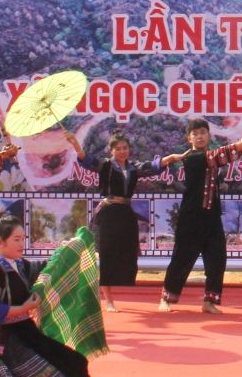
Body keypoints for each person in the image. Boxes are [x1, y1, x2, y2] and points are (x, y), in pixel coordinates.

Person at [157, 119, 242, 313]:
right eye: (196, 133)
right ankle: (166, 298)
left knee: (217, 259)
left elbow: (236, 151)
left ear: (209, 136)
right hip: (191, 218)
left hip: (211, 218)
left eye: (203, 132)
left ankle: (209, 301)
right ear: (189, 138)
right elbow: (226, 153)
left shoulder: (209, 156)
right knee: (182, 259)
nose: (200, 136)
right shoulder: (192, 158)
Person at [65, 130, 178, 312]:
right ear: (111, 150)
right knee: (107, 255)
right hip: (108, 213)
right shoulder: (106, 166)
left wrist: (172, 157)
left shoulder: (133, 168)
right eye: (118, 148)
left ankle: (119, 284)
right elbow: (87, 159)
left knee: (127, 253)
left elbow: (153, 166)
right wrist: (75, 143)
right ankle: (109, 300)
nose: (122, 151)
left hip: (125, 213)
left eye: (125, 148)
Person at [0, 213, 90, 377]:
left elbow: (45, 268)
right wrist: (23, 308)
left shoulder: (19, 265)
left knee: (75, 363)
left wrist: (65, 251)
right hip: (5, 340)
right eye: (16, 239)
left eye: (23, 239)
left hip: (25, 332)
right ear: (0, 241)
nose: (22, 244)